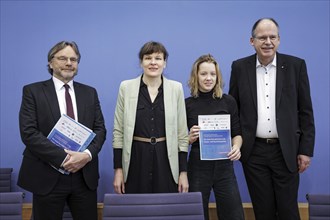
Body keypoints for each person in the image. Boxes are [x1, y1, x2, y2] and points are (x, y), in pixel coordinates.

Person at [229, 18, 315, 220]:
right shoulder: (240, 67)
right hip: (254, 153)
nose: (268, 41)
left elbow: (306, 111)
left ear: (279, 39)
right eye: (262, 37)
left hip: (287, 151)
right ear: (252, 41)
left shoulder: (296, 66)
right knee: (263, 210)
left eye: (272, 37)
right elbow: (234, 110)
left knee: (288, 210)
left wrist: (305, 150)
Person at [18, 41, 107, 220]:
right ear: (50, 63)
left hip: (84, 176)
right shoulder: (33, 91)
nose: (69, 63)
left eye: (73, 59)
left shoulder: (90, 93)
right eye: (63, 58)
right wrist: (65, 158)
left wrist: (86, 155)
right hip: (47, 175)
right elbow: (29, 133)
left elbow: (100, 129)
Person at [112, 41, 189, 194]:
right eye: (148, 58)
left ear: (164, 63)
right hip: (135, 160)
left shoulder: (176, 89)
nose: (153, 62)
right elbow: (118, 132)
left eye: (158, 58)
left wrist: (183, 172)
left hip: (166, 161)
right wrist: (118, 170)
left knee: (165, 209)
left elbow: (182, 134)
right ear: (141, 62)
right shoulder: (126, 88)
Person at [186, 54, 244, 220]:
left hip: (224, 166)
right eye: (203, 74)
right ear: (196, 76)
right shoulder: (187, 104)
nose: (208, 78)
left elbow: (237, 133)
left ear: (217, 76)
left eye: (212, 74)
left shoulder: (228, 101)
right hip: (197, 166)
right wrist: (190, 137)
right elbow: (180, 139)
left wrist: (236, 147)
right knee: (196, 214)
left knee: (234, 215)